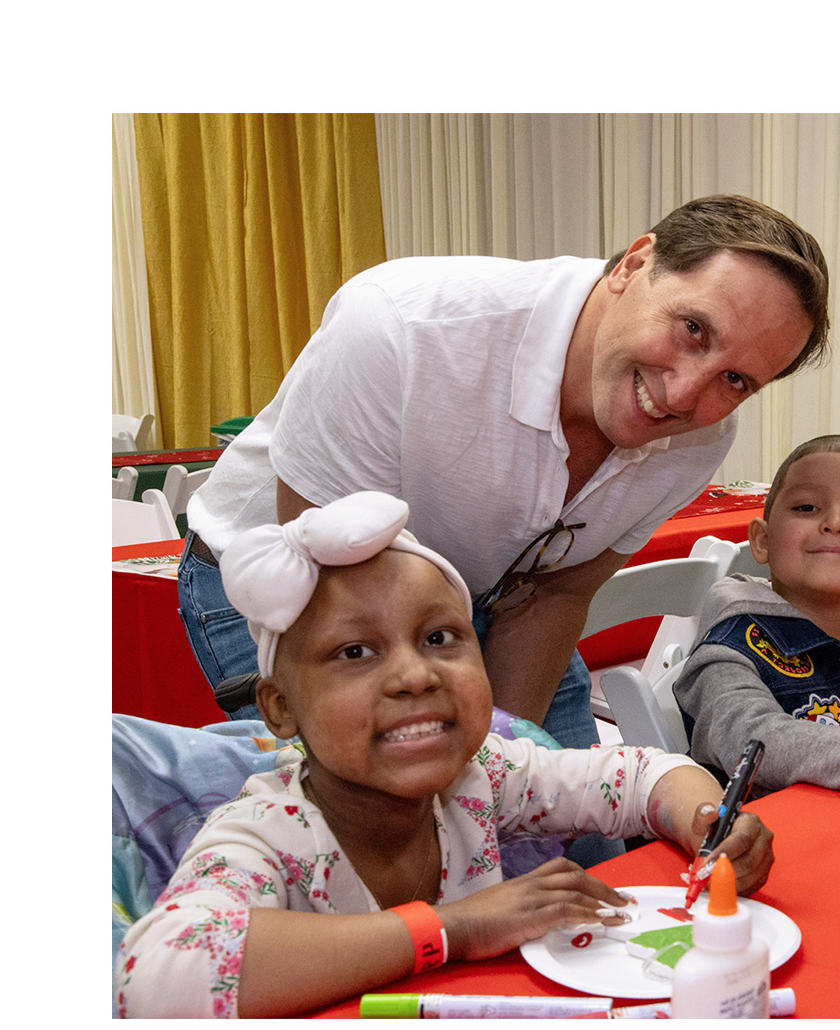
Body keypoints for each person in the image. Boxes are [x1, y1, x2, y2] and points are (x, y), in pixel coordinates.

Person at [179, 194, 829, 758]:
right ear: (634, 264)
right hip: (295, 586)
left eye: (737, 379)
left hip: (493, 594)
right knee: (369, 839)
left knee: (560, 831)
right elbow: (335, 595)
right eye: (692, 329)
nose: (687, 394)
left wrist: (504, 761)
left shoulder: (700, 437)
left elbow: (557, 592)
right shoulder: (402, 326)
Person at [118, 493, 774, 1018]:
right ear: (280, 709)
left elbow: (637, 773)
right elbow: (158, 981)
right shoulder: (265, 835)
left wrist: (705, 817)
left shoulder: (482, 776)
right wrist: (453, 928)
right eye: (355, 652)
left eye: (440, 637)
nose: (415, 676)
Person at [675, 435, 840, 798]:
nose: (834, 522)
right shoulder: (730, 649)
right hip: (763, 841)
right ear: (762, 540)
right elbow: (751, 739)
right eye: (808, 507)